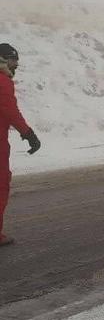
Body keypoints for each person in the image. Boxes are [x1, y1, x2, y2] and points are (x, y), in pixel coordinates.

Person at [0, 43, 41, 247]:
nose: (16, 65)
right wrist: (28, 134)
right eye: (13, 60)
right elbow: (9, 110)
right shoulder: (2, 81)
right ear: (4, 60)